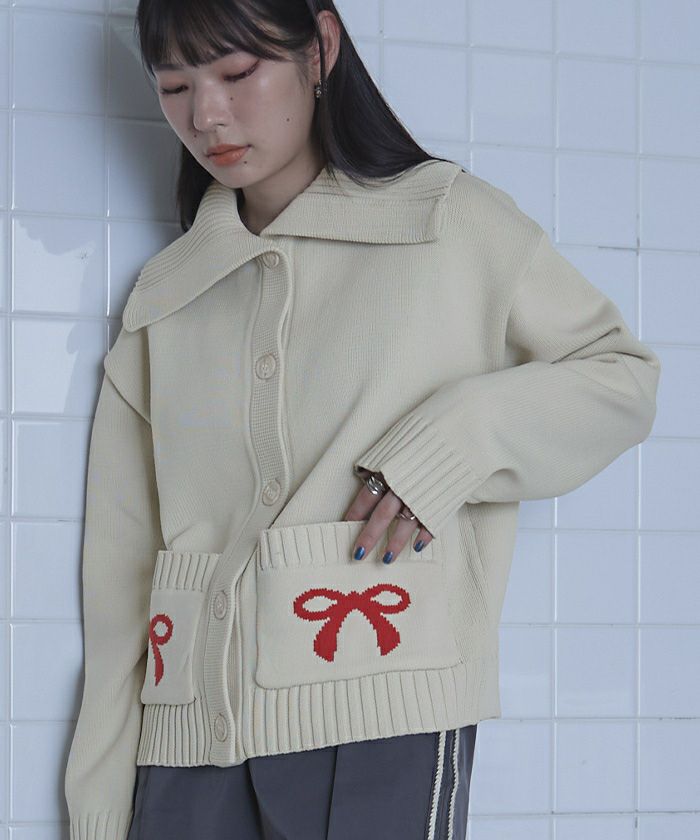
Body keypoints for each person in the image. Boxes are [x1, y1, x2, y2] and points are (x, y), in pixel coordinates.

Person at [62, 1, 661, 839]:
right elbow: (120, 572)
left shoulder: (448, 221)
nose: (207, 116)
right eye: (174, 86)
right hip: (185, 745)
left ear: (320, 47)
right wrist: (96, 800)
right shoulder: (167, 293)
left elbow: (621, 378)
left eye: (237, 73)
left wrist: (452, 443)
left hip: (382, 721)